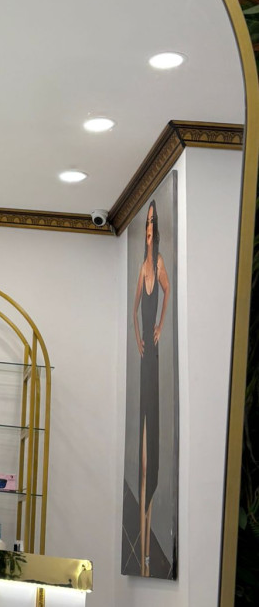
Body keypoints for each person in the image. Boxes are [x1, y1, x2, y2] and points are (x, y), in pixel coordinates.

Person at [132, 198, 170, 578]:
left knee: (150, 457)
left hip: (153, 360)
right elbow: (133, 311)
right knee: (141, 461)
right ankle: (142, 554)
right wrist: (138, 336)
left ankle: (146, 556)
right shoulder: (141, 268)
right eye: (146, 223)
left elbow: (167, 292)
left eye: (151, 224)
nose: (148, 229)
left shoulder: (157, 264)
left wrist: (159, 326)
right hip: (145, 356)